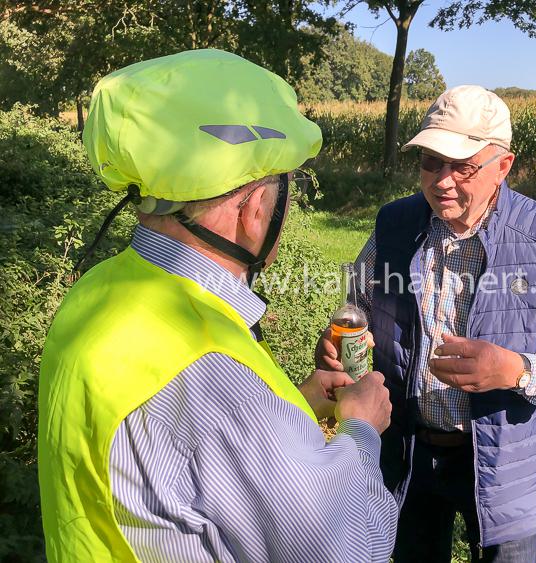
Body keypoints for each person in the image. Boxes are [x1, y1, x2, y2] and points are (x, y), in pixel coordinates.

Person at [38, 49, 398, 563]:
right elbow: (350, 548)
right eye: (282, 194)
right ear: (255, 209)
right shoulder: (211, 371)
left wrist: (292, 409)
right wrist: (362, 430)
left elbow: (175, 457)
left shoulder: (95, 292)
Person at [316, 85, 536, 562]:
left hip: (504, 465)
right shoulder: (395, 225)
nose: (442, 181)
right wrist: (343, 334)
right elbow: (358, 305)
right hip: (408, 454)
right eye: (431, 162)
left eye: (463, 166)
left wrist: (515, 370)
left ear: (503, 167)